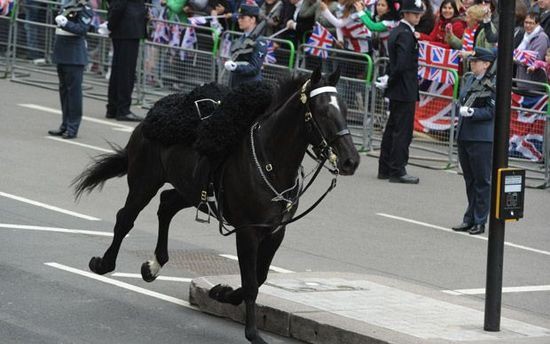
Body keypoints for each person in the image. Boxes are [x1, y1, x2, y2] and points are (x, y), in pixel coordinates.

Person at [377, 0, 424, 184]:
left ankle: (385, 168)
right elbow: (402, 63)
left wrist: (389, 79)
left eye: (419, 14)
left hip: (398, 88)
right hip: (404, 88)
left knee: (392, 129)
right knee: (402, 132)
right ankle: (397, 169)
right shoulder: (405, 34)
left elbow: (395, 62)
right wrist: (391, 78)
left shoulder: (398, 31)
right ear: (405, 13)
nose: (418, 16)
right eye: (414, 14)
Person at [452, 47, 496, 235]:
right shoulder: (469, 78)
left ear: (486, 64)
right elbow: (462, 99)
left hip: (481, 137)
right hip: (465, 134)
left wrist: (473, 113)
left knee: (482, 181)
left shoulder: (493, 84)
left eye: (476, 61)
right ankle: (469, 217)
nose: (472, 63)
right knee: (469, 179)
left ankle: (480, 220)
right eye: (472, 61)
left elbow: (492, 111)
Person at [47, 0, 93, 139]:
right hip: (61, 51)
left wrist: (66, 24)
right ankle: (65, 124)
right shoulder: (67, 4)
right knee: (64, 91)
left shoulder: (84, 8)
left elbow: (82, 29)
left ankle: (73, 127)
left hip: (74, 54)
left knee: (74, 93)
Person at [105, 0, 147, 121]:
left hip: (125, 29)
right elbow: (119, 6)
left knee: (118, 71)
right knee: (125, 73)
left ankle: (113, 108)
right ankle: (123, 109)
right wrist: (110, 24)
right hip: (128, 30)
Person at [223, 3, 267, 88]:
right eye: (239, 17)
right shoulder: (240, 39)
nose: (239, 20)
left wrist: (236, 67)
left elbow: (254, 68)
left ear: (252, 19)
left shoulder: (260, 42)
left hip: (250, 87)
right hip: (236, 84)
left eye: (242, 18)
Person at [514, 11, 550, 92]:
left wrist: (515, 57)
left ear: (537, 24)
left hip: (533, 86)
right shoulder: (525, 35)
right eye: (526, 22)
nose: (527, 25)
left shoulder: (541, 38)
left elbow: (535, 59)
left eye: (531, 23)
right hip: (522, 82)